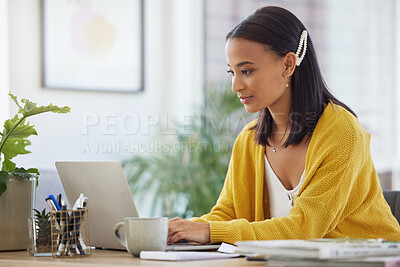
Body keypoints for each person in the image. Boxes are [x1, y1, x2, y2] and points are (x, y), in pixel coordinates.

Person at [168, 6, 400, 245]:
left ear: (288, 65)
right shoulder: (249, 140)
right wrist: (175, 231)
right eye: (232, 72)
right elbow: (227, 214)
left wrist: (209, 232)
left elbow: (306, 227)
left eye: (246, 71)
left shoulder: (342, 131)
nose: (235, 86)